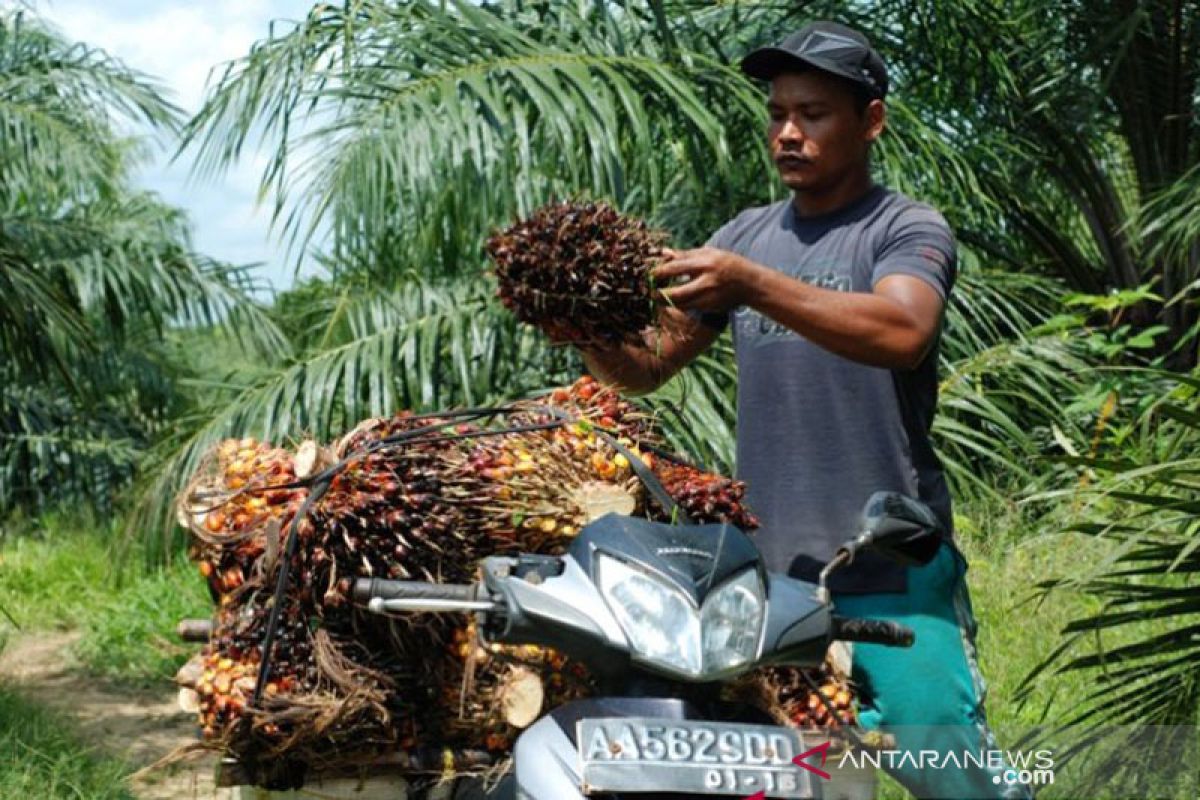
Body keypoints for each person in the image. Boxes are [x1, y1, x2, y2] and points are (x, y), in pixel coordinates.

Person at [578, 21, 1032, 800]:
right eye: (778, 113)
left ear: (872, 121)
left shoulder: (903, 228)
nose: (788, 132)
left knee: (964, 785)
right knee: (804, 786)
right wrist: (579, 322)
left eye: (813, 113)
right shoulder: (747, 236)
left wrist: (754, 286)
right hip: (772, 586)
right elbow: (647, 366)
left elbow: (905, 331)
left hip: (893, 571)